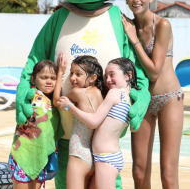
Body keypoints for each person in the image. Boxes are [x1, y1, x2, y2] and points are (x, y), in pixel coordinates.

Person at [15, 0, 151, 188]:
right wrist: (24, 88)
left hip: (104, 146)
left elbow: (135, 71)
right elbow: (34, 61)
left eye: (77, 74)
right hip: (68, 138)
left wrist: (141, 95)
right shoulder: (59, 17)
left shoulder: (118, 20)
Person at [121, 0, 184, 189]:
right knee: (139, 172)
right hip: (143, 101)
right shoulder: (126, 25)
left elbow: (155, 72)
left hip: (169, 99)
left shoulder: (162, 25)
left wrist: (134, 39)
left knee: (168, 174)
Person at [57, 57, 139, 189]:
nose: (108, 80)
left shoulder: (114, 93)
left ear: (128, 75)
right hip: (107, 157)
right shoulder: (129, 98)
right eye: (106, 76)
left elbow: (93, 122)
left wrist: (70, 106)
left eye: (112, 75)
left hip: (105, 157)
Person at [53, 53, 106, 189]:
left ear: (93, 77)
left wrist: (60, 73)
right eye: (71, 73)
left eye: (78, 74)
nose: (72, 78)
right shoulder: (100, 94)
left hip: (79, 153)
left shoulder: (77, 92)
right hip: (96, 156)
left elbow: (56, 101)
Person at [8, 60, 63, 189]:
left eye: (53, 78)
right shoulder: (31, 96)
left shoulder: (53, 101)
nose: (49, 81)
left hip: (40, 155)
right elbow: (22, 84)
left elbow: (56, 101)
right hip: (23, 152)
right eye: (44, 77)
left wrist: (60, 73)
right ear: (34, 79)